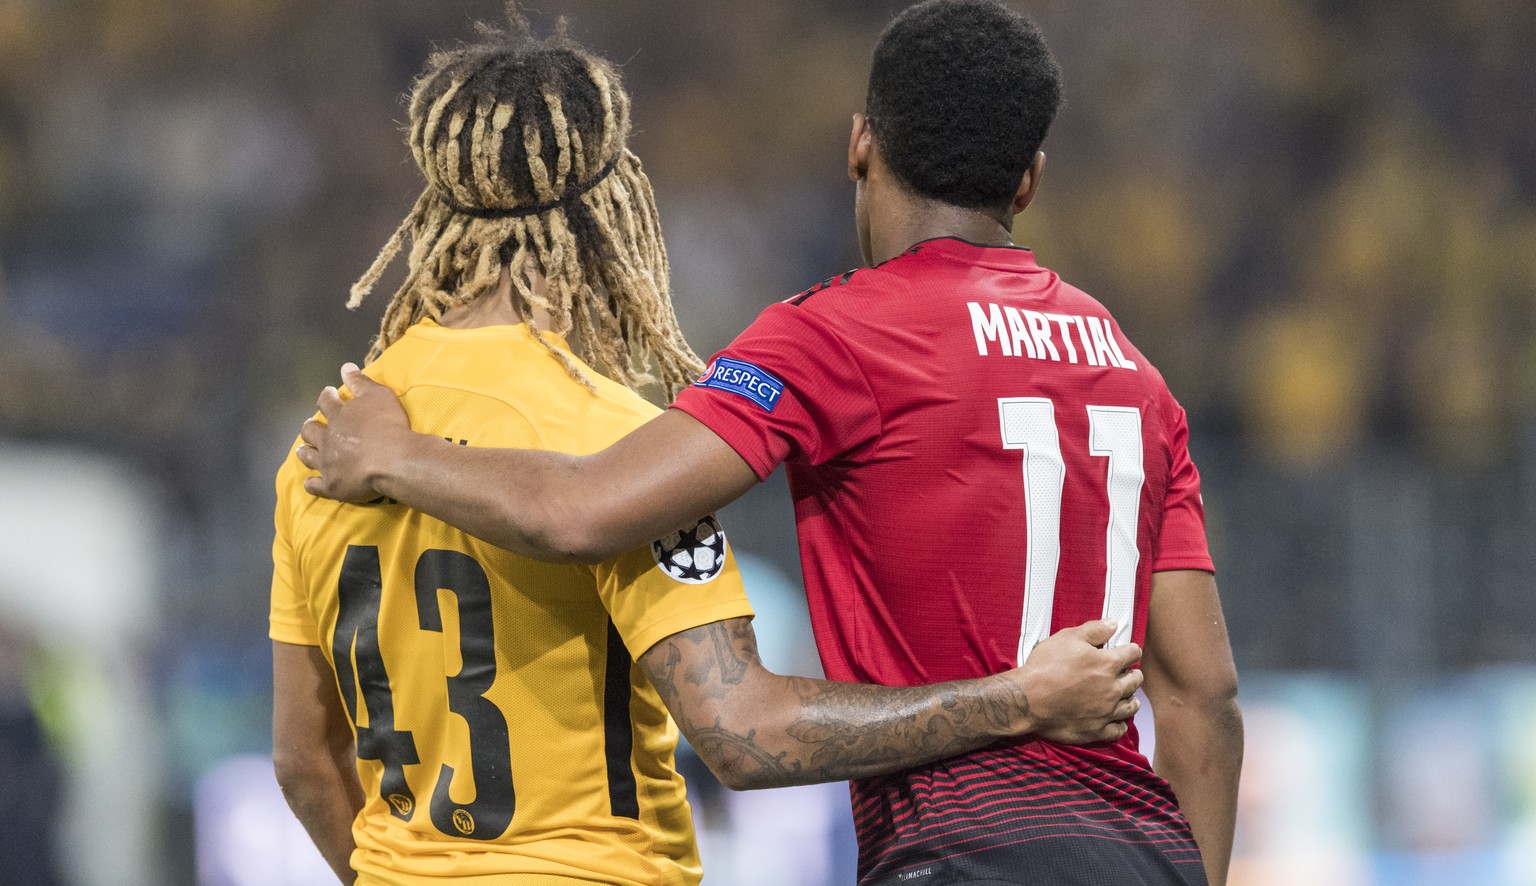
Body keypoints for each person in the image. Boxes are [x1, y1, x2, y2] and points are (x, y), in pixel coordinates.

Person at [271, 8, 1146, 885]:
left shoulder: (329, 445)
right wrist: (1020, 699)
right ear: (616, 202)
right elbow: (741, 729)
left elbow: (304, 760)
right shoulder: (622, 447)